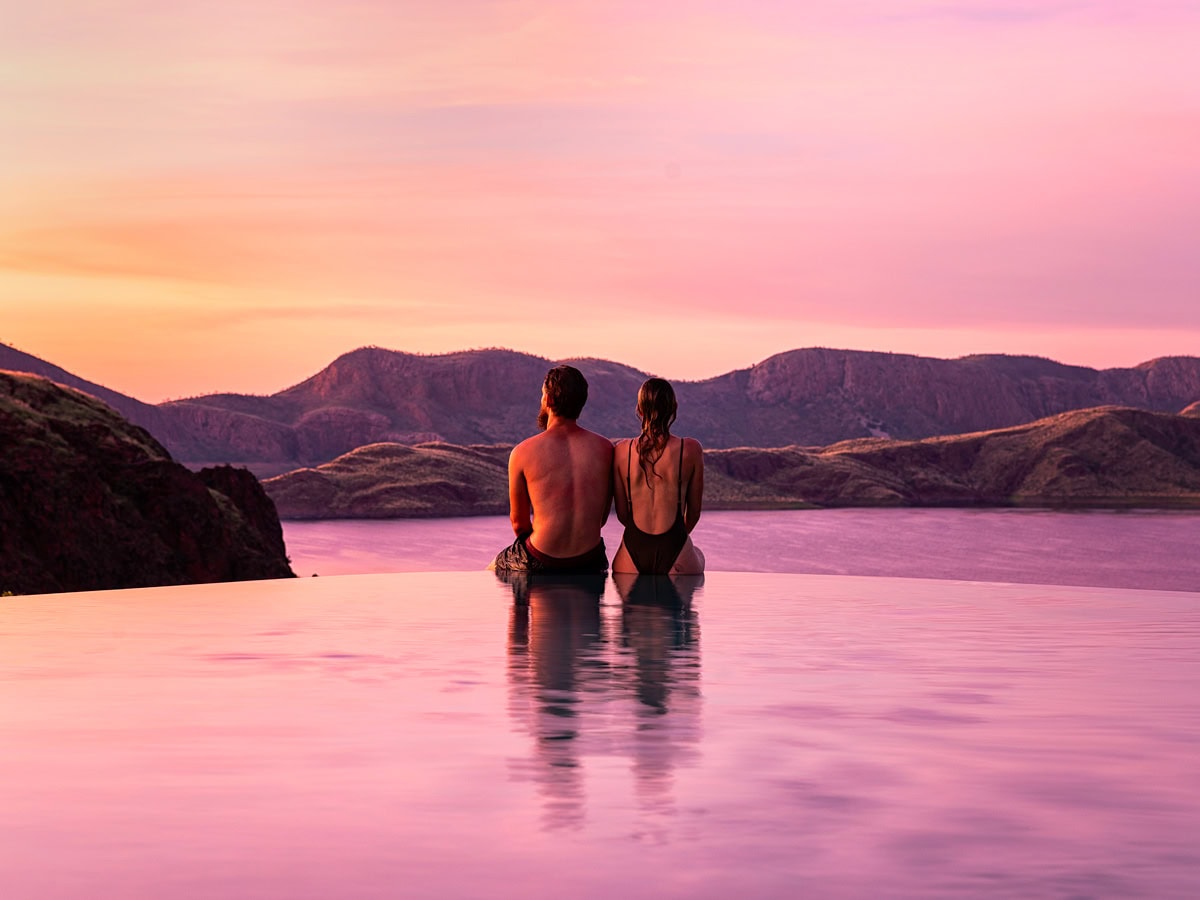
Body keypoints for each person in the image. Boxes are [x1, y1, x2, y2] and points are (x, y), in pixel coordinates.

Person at [490, 365, 614, 574]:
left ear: (548, 400)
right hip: (591, 559)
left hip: (541, 557)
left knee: (494, 566)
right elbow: (600, 518)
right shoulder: (606, 449)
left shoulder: (522, 452)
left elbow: (519, 524)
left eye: (542, 395)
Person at [612, 378, 705, 575]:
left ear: (639, 409)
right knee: (699, 554)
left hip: (631, 554)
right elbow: (694, 513)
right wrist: (672, 539)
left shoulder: (621, 451)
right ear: (674, 408)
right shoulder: (690, 449)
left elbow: (622, 514)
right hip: (676, 551)